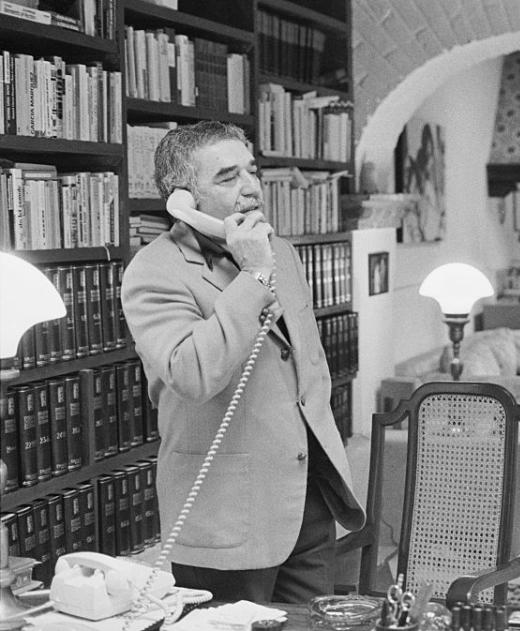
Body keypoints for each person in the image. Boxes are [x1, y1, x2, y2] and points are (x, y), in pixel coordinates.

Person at [121, 121, 364, 602]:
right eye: (228, 177)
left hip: (307, 499)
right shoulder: (153, 270)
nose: (251, 188)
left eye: (251, 171)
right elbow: (192, 375)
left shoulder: (283, 254)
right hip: (226, 514)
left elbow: (307, 365)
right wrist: (253, 274)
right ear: (182, 197)